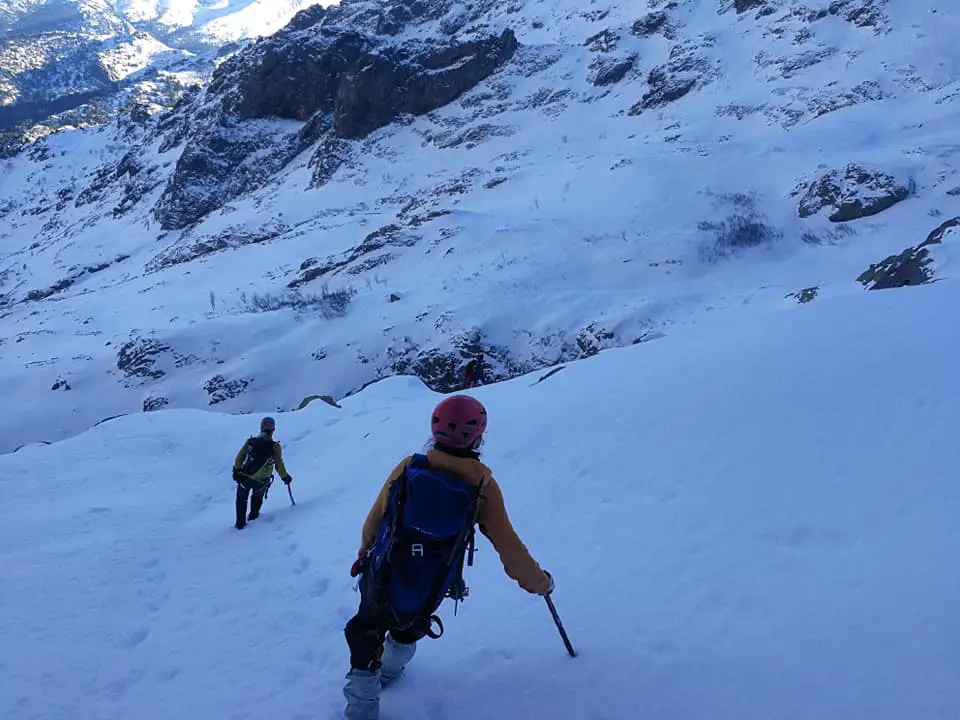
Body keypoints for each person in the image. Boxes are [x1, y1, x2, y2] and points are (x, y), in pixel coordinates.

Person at [342, 395, 553, 720]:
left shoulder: (411, 467)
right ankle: (390, 672)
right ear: (478, 437)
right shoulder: (483, 486)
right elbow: (508, 545)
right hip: (434, 580)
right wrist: (539, 583)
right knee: (409, 626)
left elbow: (376, 517)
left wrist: (364, 551)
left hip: (384, 570)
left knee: (367, 630)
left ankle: (361, 709)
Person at [231, 416, 293, 529]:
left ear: (261, 427)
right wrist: (285, 477)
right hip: (262, 480)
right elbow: (278, 464)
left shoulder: (250, 442)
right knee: (257, 498)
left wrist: (236, 470)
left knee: (241, 499)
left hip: (245, 476)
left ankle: (240, 524)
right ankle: (253, 518)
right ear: (273, 429)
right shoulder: (275, 446)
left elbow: (239, 458)